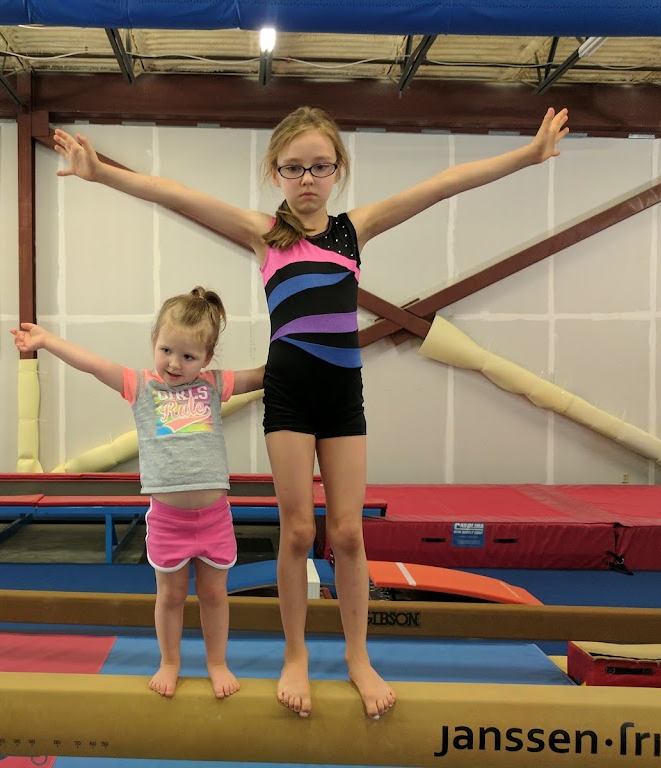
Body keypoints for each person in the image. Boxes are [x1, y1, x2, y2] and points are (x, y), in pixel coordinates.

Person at [51, 106, 569, 718]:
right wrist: (102, 173)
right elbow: (176, 193)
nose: (307, 179)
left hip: (342, 396)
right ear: (275, 172)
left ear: (337, 171)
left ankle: (358, 656)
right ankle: (294, 654)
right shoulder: (265, 233)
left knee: (348, 532)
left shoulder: (354, 229)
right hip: (289, 395)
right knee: (297, 531)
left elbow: (442, 185)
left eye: (320, 167)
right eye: (294, 167)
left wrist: (527, 156)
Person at [11, 287, 265, 699]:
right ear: (153, 343)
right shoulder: (141, 386)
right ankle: (170, 661)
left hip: (214, 517)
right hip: (168, 519)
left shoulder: (214, 385)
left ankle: (217, 662)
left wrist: (308, 351)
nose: (174, 363)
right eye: (166, 350)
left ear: (207, 359)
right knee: (171, 596)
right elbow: (93, 365)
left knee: (215, 595)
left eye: (188, 356)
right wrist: (46, 341)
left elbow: (265, 374)